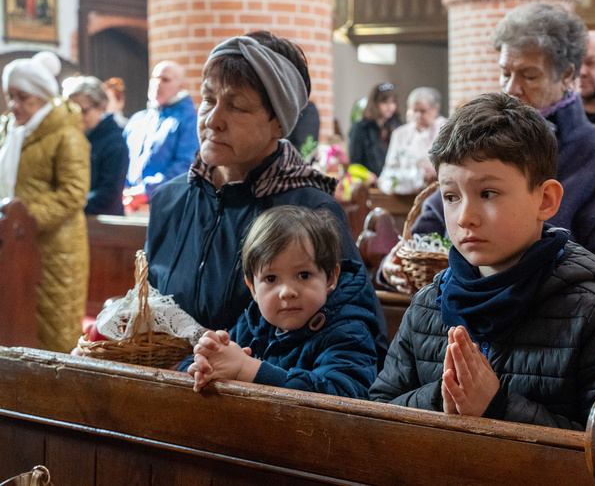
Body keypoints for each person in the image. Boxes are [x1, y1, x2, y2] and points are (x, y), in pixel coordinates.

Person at [369, 93, 595, 429]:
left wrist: (496, 407)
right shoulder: (426, 306)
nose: (465, 217)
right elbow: (377, 413)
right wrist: (440, 396)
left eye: (488, 194)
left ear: (546, 200)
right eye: (451, 196)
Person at [144, 31, 388, 363]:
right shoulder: (170, 201)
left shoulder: (312, 210)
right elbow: (152, 306)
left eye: (237, 107)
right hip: (163, 389)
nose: (213, 120)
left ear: (278, 123)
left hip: (262, 399)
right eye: (208, 99)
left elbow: (357, 345)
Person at [382, 3, 595, 294]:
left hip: (553, 321)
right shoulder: (480, 140)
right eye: (505, 73)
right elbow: (431, 220)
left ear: (567, 74)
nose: (511, 88)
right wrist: (398, 259)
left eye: (529, 76)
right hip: (457, 308)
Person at [182, 205, 379, 398]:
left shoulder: (349, 333)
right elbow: (206, 364)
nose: (287, 292)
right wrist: (205, 363)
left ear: (330, 278)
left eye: (303, 275)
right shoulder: (251, 325)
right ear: (252, 288)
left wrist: (247, 369)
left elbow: (343, 399)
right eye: (271, 279)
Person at [0, 51, 90, 352]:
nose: (14, 105)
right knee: (14, 326)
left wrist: (24, 221)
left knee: (54, 334)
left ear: (41, 96)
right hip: (11, 246)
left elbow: (74, 192)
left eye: (23, 97)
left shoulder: (66, 134)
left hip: (54, 250)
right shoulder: (10, 132)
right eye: (10, 96)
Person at [123, 60, 199, 202]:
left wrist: (147, 191)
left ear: (180, 87)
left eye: (165, 80)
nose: (157, 84)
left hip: (165, 202)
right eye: (155, 78)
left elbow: (186, 166)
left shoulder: (188, 121)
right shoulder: (138, 119)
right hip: (129, 200)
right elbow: (122, 160)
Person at [64, 76, 130, 216]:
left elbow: (108, 196)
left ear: (101, 107)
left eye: (83, 111)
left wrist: (67, 205)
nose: (77, 117)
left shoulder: (115, 142)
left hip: (104, 227)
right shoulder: (70, 137)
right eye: (71, 111)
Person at [377, 87, 446, 195]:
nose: (418, 116)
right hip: (402, 195)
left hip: (435, 194)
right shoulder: (400, 134)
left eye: (423, 111)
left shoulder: (445, 131)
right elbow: (388, 170)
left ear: (435, 109)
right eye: (415, 111)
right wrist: (416, 176)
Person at [348, 82, 404, 176]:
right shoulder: (360, 128)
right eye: (385, 102)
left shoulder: (398, 127)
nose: (390, 107)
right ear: (374, 103)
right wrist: (367, 175)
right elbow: (354, 162)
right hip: (370, 183)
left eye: (393, 102)